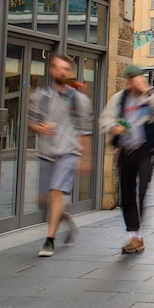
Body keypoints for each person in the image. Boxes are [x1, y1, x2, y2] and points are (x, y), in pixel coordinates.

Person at [27, 53, 93, 258]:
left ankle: (50, 240)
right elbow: (31, 121)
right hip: (46, 154)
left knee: (56, 193)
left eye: (66, 68)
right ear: (52, 70)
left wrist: (86, 157)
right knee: (45, 199)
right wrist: (40, 128)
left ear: (69, 72)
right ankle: (67, 221)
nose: (62, 72)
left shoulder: (78, 99)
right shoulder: (40, 96)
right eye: (58, 67)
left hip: (68, 152)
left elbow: (84, 131)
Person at [99, 65, 154, 254]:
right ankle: (135, 235)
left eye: (138, 79)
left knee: (142, 190)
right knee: (127, 194)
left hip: (145, 151)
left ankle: (138, 233)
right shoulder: (119, 98)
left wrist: (147, 92)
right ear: (128, 81)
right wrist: (114, 127)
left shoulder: (152, 96)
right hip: (126, 151)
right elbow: (105, 119)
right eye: (132, 80)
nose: (135, 83)